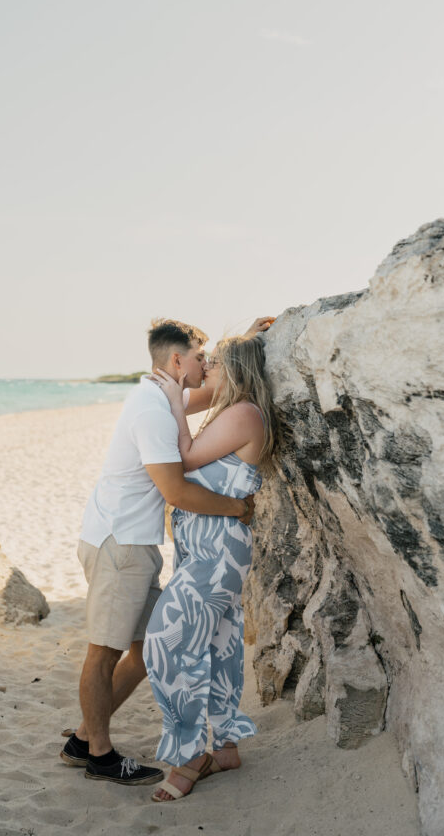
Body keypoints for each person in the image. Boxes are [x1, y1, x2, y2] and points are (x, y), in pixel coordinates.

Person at [60, 316, 274, 787]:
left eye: (212, 359)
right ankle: (97, 753)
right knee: (106, 652)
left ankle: (83, 736)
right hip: (122, 544)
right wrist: (237, 507)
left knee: (141, 653)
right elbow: (176, 490)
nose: (206, 364)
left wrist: (250, 339)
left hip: (142, 546)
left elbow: (222, 389)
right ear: (178, 361)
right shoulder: (155, 412)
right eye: (201, 358)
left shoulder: (162, 397)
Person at [143, 330, 276, 803]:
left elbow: (184, 457)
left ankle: (189, 754)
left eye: (215, 363)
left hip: (218, 552)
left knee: (164, 643)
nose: (207, 369)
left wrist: (177, 405)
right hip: (208, 548)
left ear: (236, 371)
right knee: (219, 644)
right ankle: (225, 746)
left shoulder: (243, 413)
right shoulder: (231, 410)